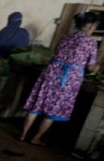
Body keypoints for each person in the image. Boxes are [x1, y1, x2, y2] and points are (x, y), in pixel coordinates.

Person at [19, 11, 100, 145]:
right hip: (68, 79)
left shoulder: (65, 38)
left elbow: (56, 53)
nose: (94, 30)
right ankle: (36, 138)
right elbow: (90, 67)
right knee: (53, 109)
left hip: (51, 72)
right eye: (94, 27)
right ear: (89, 26)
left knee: (37, 104)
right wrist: (96, 67)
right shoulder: (90, 43)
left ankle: (23, 135)